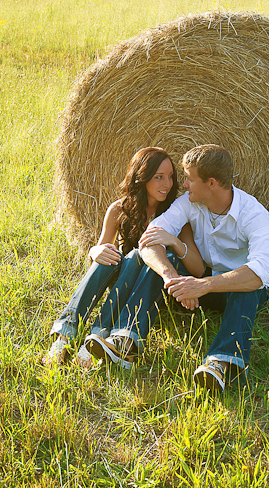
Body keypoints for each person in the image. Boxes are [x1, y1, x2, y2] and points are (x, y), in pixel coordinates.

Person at [86, 144, 269, 392]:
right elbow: (148, 242)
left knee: (249, 286)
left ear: (211, 183)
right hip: (195, 282)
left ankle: (221, 363)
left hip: (233, 289)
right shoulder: (188, 203)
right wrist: (172, 278)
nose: (182, 185)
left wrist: (202, 286)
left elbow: (261, 272)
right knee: (161, 260)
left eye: (188, 179)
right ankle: (126, 341)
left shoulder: (254, 215)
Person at [43, 147, 204, 368]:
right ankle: (64, 337)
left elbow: (198, 270)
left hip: (152, 291)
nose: (167, 184)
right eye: (158, 177)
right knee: (113, 255)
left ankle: (98, 334)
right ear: (142, 177)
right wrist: (94, 251)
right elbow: (98, 265)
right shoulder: (119, 210)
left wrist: (174, 242)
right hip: (121, 284)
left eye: (170, 177)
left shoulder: (175, 215)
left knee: (140, 254)